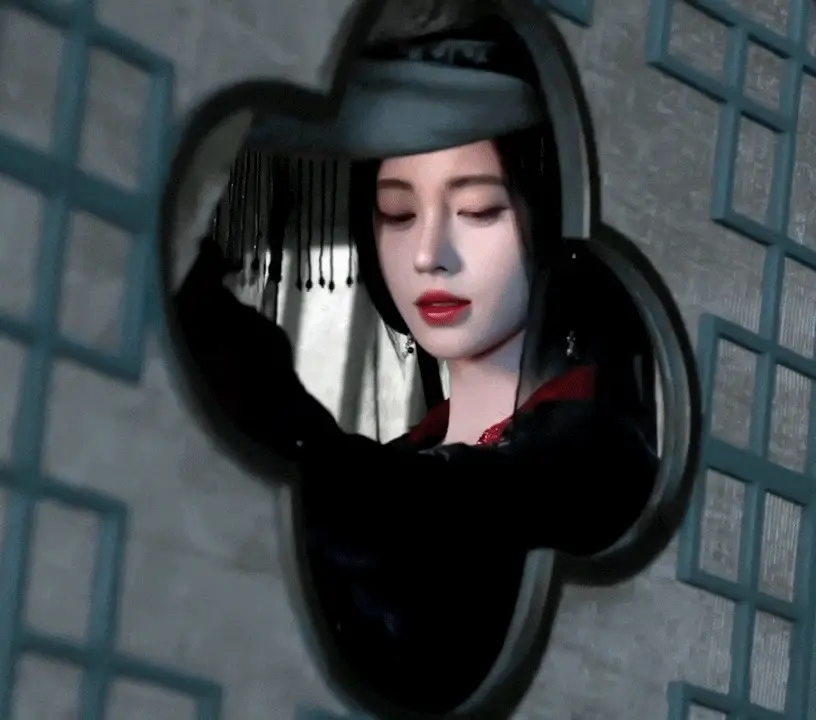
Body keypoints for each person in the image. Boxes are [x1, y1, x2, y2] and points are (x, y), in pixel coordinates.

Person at [174, 16, 659, 715]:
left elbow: (402, 525)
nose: (430, 254)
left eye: (479, 210)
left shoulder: (598, 453)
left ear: (548, 213)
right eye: (398, 214)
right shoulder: (409, 456)